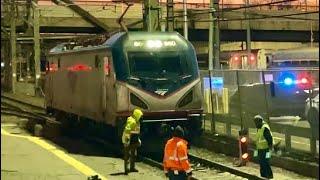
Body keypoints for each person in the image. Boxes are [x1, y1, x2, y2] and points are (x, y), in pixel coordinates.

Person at [122, 108, 143, 175]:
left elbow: (137, 131)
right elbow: (127, 130)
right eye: (140, 116)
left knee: (133, 154)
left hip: (134, 139)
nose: (141, 117)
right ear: (137, 115)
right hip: (129, 139)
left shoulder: (137, 121)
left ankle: (132, 168)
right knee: (127, 155)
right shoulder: (132, 121)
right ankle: (126, 169)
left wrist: (138, 139)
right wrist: (127, 140)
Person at [253, 115, 274, 179]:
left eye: (256, 123)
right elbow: (258, 140)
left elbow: (269, 139)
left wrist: (270, 150)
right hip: (260, 149)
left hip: (266, 149)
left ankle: (268, 176)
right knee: (262, 163)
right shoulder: (259, 128)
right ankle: (263, 176)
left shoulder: (264, 128)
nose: (255, 124)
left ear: (260, 121)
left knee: (266, 163)